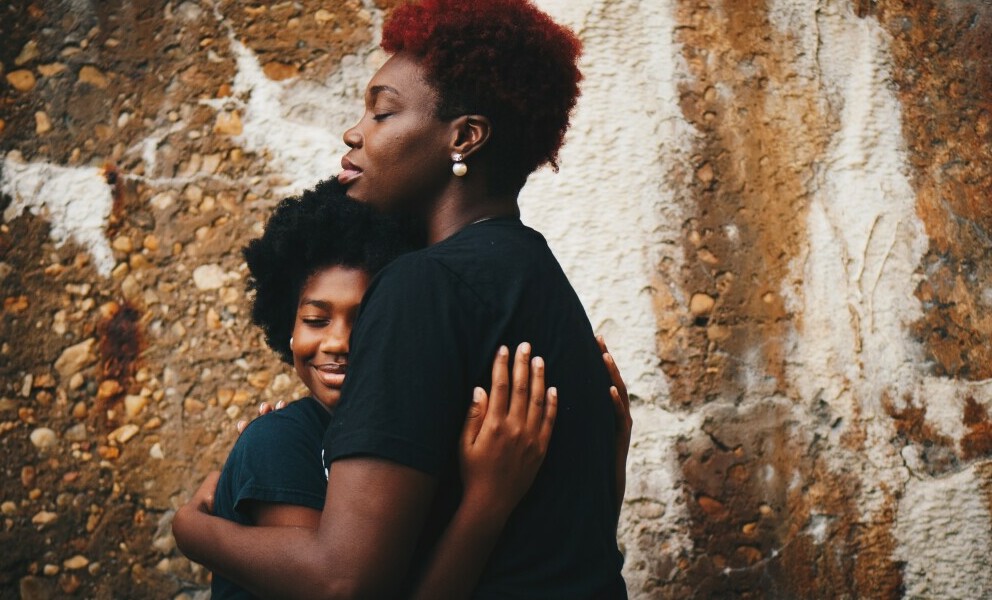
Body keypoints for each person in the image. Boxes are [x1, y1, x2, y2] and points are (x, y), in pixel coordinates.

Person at [173, 0, 630, 597]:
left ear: (464, 137)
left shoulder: (423, 284)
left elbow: (345, 580)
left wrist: (191, 529)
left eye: (383, 112)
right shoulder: (536, 275)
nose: (354, 131)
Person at [210, 179, 562, 599]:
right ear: (287, 329)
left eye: (365, 319)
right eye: (316, 320)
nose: (338, 342)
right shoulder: (280, 441)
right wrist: (487, 501)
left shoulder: (410, 442)